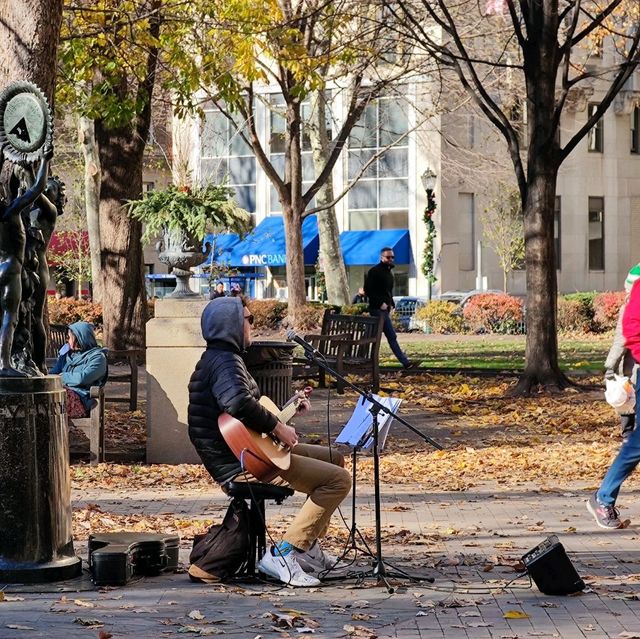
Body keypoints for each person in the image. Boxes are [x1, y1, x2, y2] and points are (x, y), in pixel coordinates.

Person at [187, 296, 351, 586]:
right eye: (248, 320)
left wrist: (287, 411)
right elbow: (237, 402)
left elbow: (243, 415)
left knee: (334, 459)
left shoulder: (222, 359)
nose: (252, 325)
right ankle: (284, 552)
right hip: (242, 462)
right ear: (232, 326)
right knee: (337, 480)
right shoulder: (225, 361)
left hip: (247, 449)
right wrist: (277, 426)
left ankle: (308, 547)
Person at [588, 271, 640, 529]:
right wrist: (610, 368)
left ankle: (604, 498)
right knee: (635, 442)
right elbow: (627, 332)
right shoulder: (636, 295)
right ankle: (603, 497)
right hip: (634, 376)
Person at [604, 264, 640, 442]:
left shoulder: (629, 307)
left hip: (634, 363)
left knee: (627, 399)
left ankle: (628, 435)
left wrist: (610, 365)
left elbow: (621, 339)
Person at [364, 247, 413, 369]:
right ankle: (404, 362)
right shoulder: (375, 271)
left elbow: (387, 292)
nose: (391, 259)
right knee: (389, 335)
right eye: (388, 257)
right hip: (377, 309)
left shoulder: (388, 272)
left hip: (384, 309)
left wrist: (391, 304)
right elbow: (369, 290)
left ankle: (366, 359)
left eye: (392, 257)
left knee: (374, 337)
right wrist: (380, 303)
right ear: (382, 257)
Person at [51, 322, 108, 419]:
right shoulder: (66, 355)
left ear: (79, 338)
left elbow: (83, 378)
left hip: (82, 399)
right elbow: (52, 374)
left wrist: (62, 377)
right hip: (62, 394)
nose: (67, 340)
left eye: (69, 338)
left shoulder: (98, 357)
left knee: (55, 399)